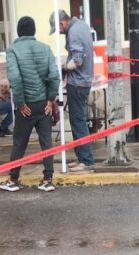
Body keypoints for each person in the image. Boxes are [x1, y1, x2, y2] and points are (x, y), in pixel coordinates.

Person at [0, 16, 60, 192]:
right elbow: (54, 76)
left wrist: (19, 102)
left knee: (19, 142)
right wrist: (50, 99)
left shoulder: (13, 51)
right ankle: (48, 180)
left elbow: (15, 78)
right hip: (43, 104)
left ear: (18, 32)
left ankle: (13, 179)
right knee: (46, 142)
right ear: (34, 31)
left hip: (26, 106)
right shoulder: (45, 49)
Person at [49, 10, 95, 173]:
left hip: (77, 83)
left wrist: (63, 68)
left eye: (58, 29)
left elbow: (77, 61)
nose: (59, 33)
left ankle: (86, 160)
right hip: (85, 81)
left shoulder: (73, 32)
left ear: (62, 23)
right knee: (79, 120)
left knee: (78, 122)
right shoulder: (82, 25)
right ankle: (82, 157)